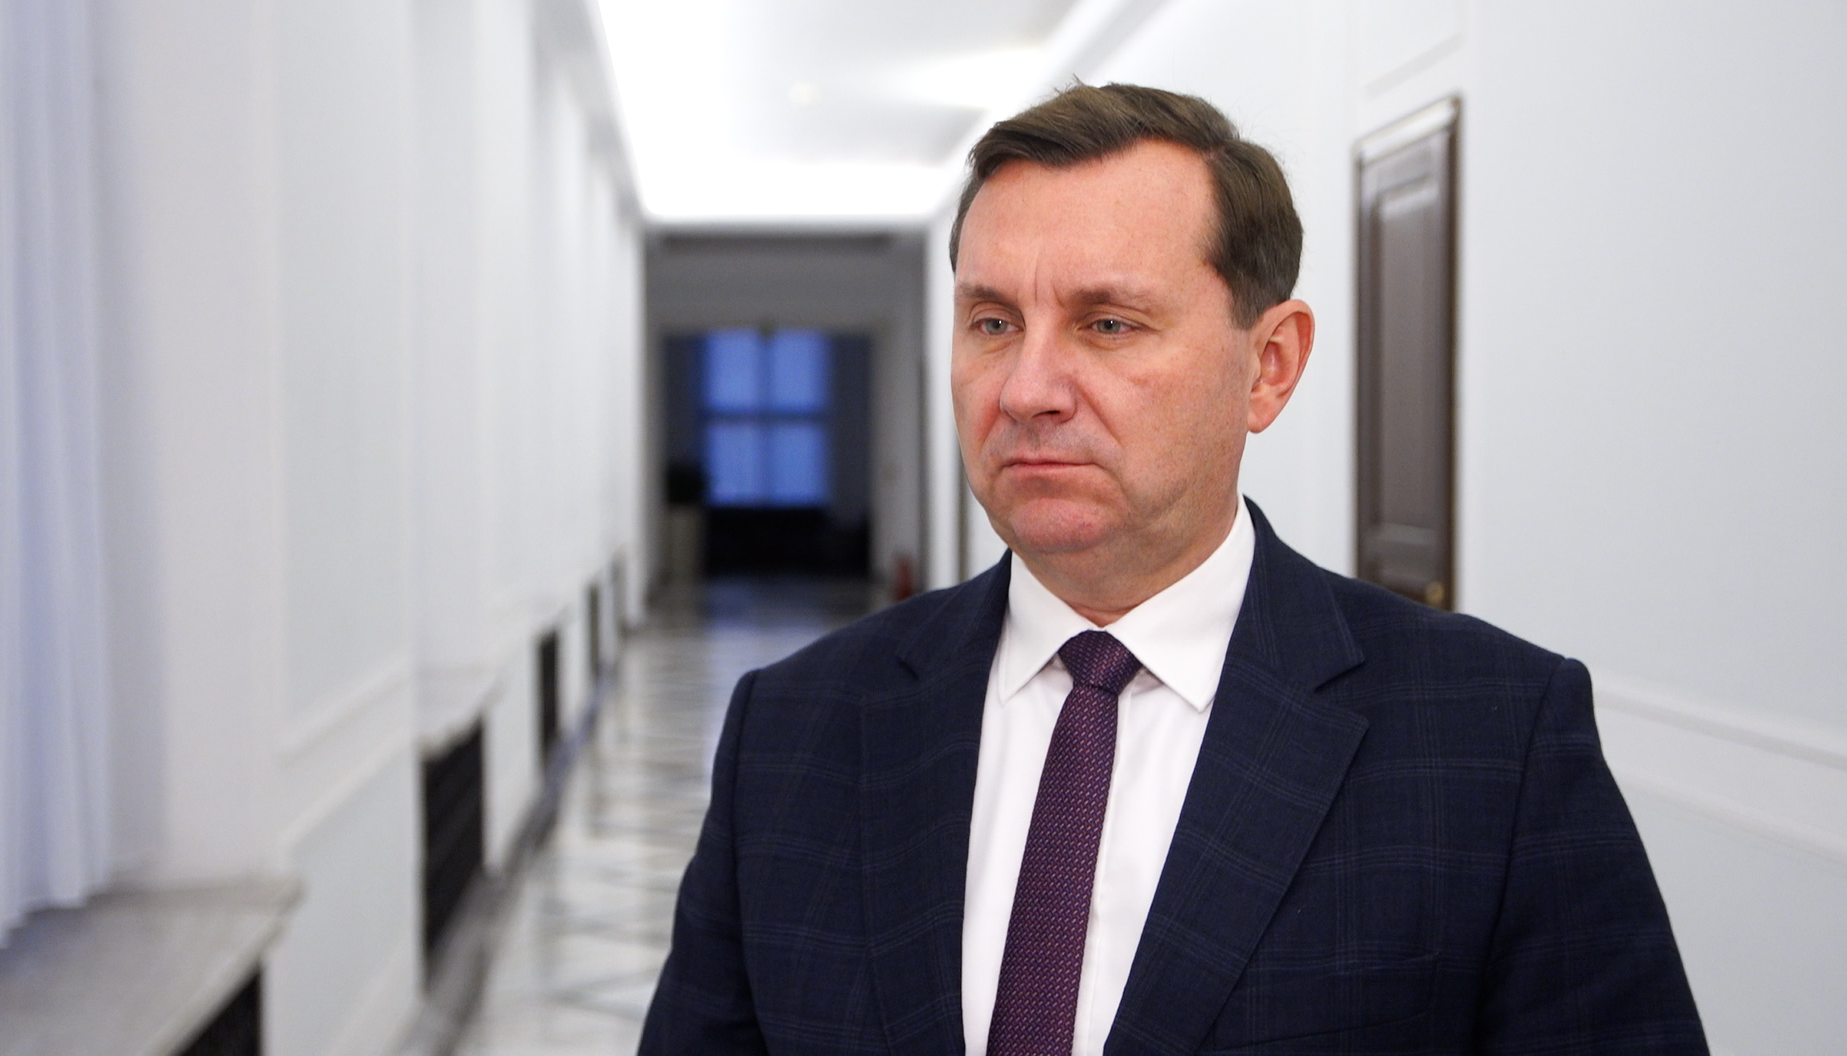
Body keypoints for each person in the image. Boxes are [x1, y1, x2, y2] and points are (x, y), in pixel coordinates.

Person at [640, 83, 1706, 1055]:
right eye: (993, 322)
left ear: (1268, 366)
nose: (1027, 389)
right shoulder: (793, 730)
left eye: (1107, 324)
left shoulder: (1496, 740)